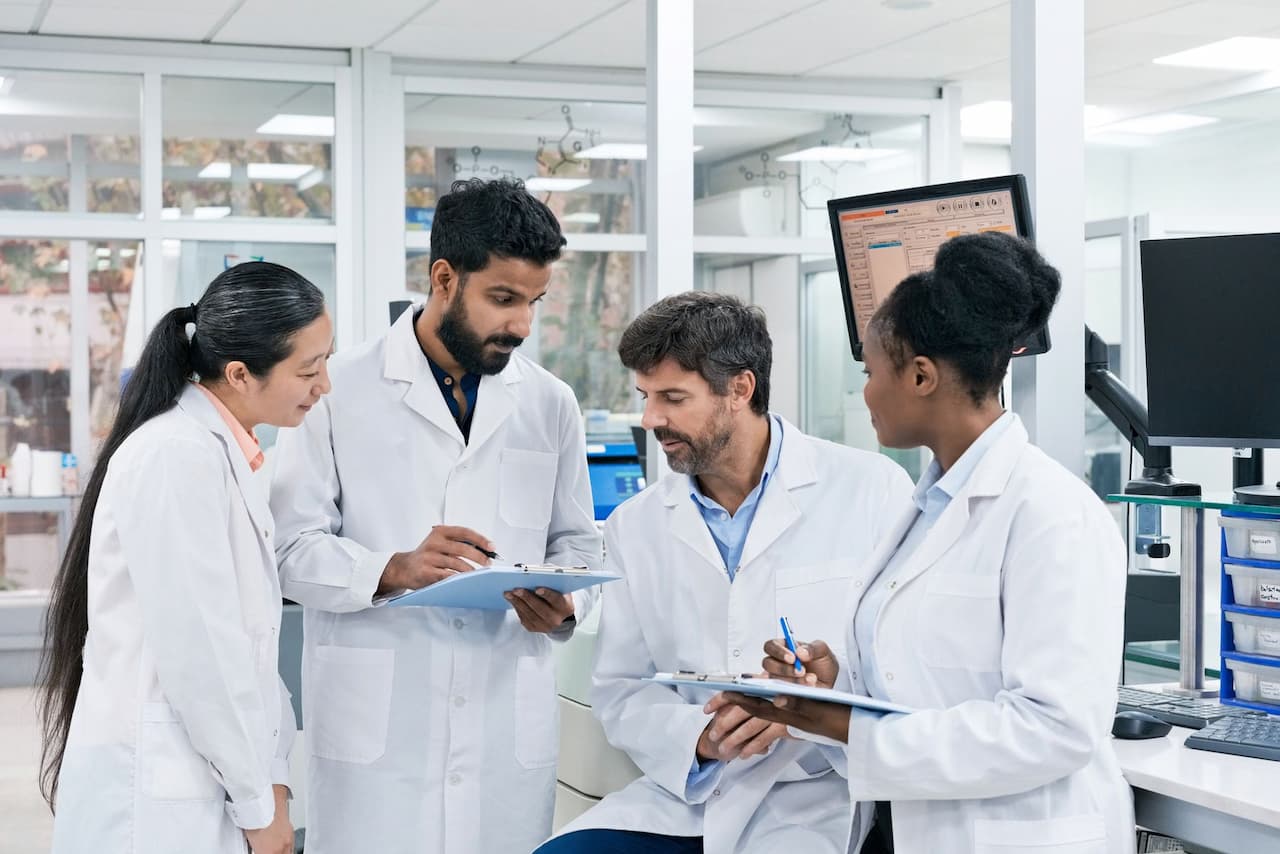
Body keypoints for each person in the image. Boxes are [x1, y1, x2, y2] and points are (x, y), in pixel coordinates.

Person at [721, 232, 1134, 854]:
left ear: (920, 376)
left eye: (869, 371)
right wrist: (835, 685)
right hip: (912, 828)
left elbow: (1056, 728)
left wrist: (844, 724)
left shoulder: (1052, 512)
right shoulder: (925, 503)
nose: (864, 392)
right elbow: (922, 678)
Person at [269, 177, 603, 854]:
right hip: (381, 737)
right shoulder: (337, 390)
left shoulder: (550, 402)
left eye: (534, 302)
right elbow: (286, 549)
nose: (521, 325)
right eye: (503, 299)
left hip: (503, 722)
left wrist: (567, 607)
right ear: (444, 278)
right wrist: (391, 568)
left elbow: (579, 546)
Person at [539, 292, 913, 854]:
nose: (649, 419)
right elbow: (621, 689)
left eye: (672, 398)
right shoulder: (635, 526)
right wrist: (702, 739)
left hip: (814, 793)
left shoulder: (872, 491)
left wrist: (818, 703)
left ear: (740, 389)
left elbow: (910, 668)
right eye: (644, 396)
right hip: (687, 797)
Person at [38, 262, 332, 854]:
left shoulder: (227, 456)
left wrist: (271, 778)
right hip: (152, 798)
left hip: (202, 780)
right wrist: (257, 803)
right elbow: (202, 652)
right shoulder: (175, 455)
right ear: (240, 374)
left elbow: (250, 643)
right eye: (309, 369)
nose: (324, 385)